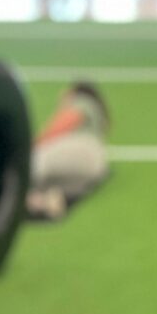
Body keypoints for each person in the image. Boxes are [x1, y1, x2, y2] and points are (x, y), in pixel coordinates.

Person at [26, 80, 111, 222]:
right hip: (94, 165)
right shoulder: (94, 112)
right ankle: (44, 202)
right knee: (45, 186)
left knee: (31, 163)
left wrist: (27, 147)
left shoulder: (81, 102)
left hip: (81, 150)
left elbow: (55, 130)